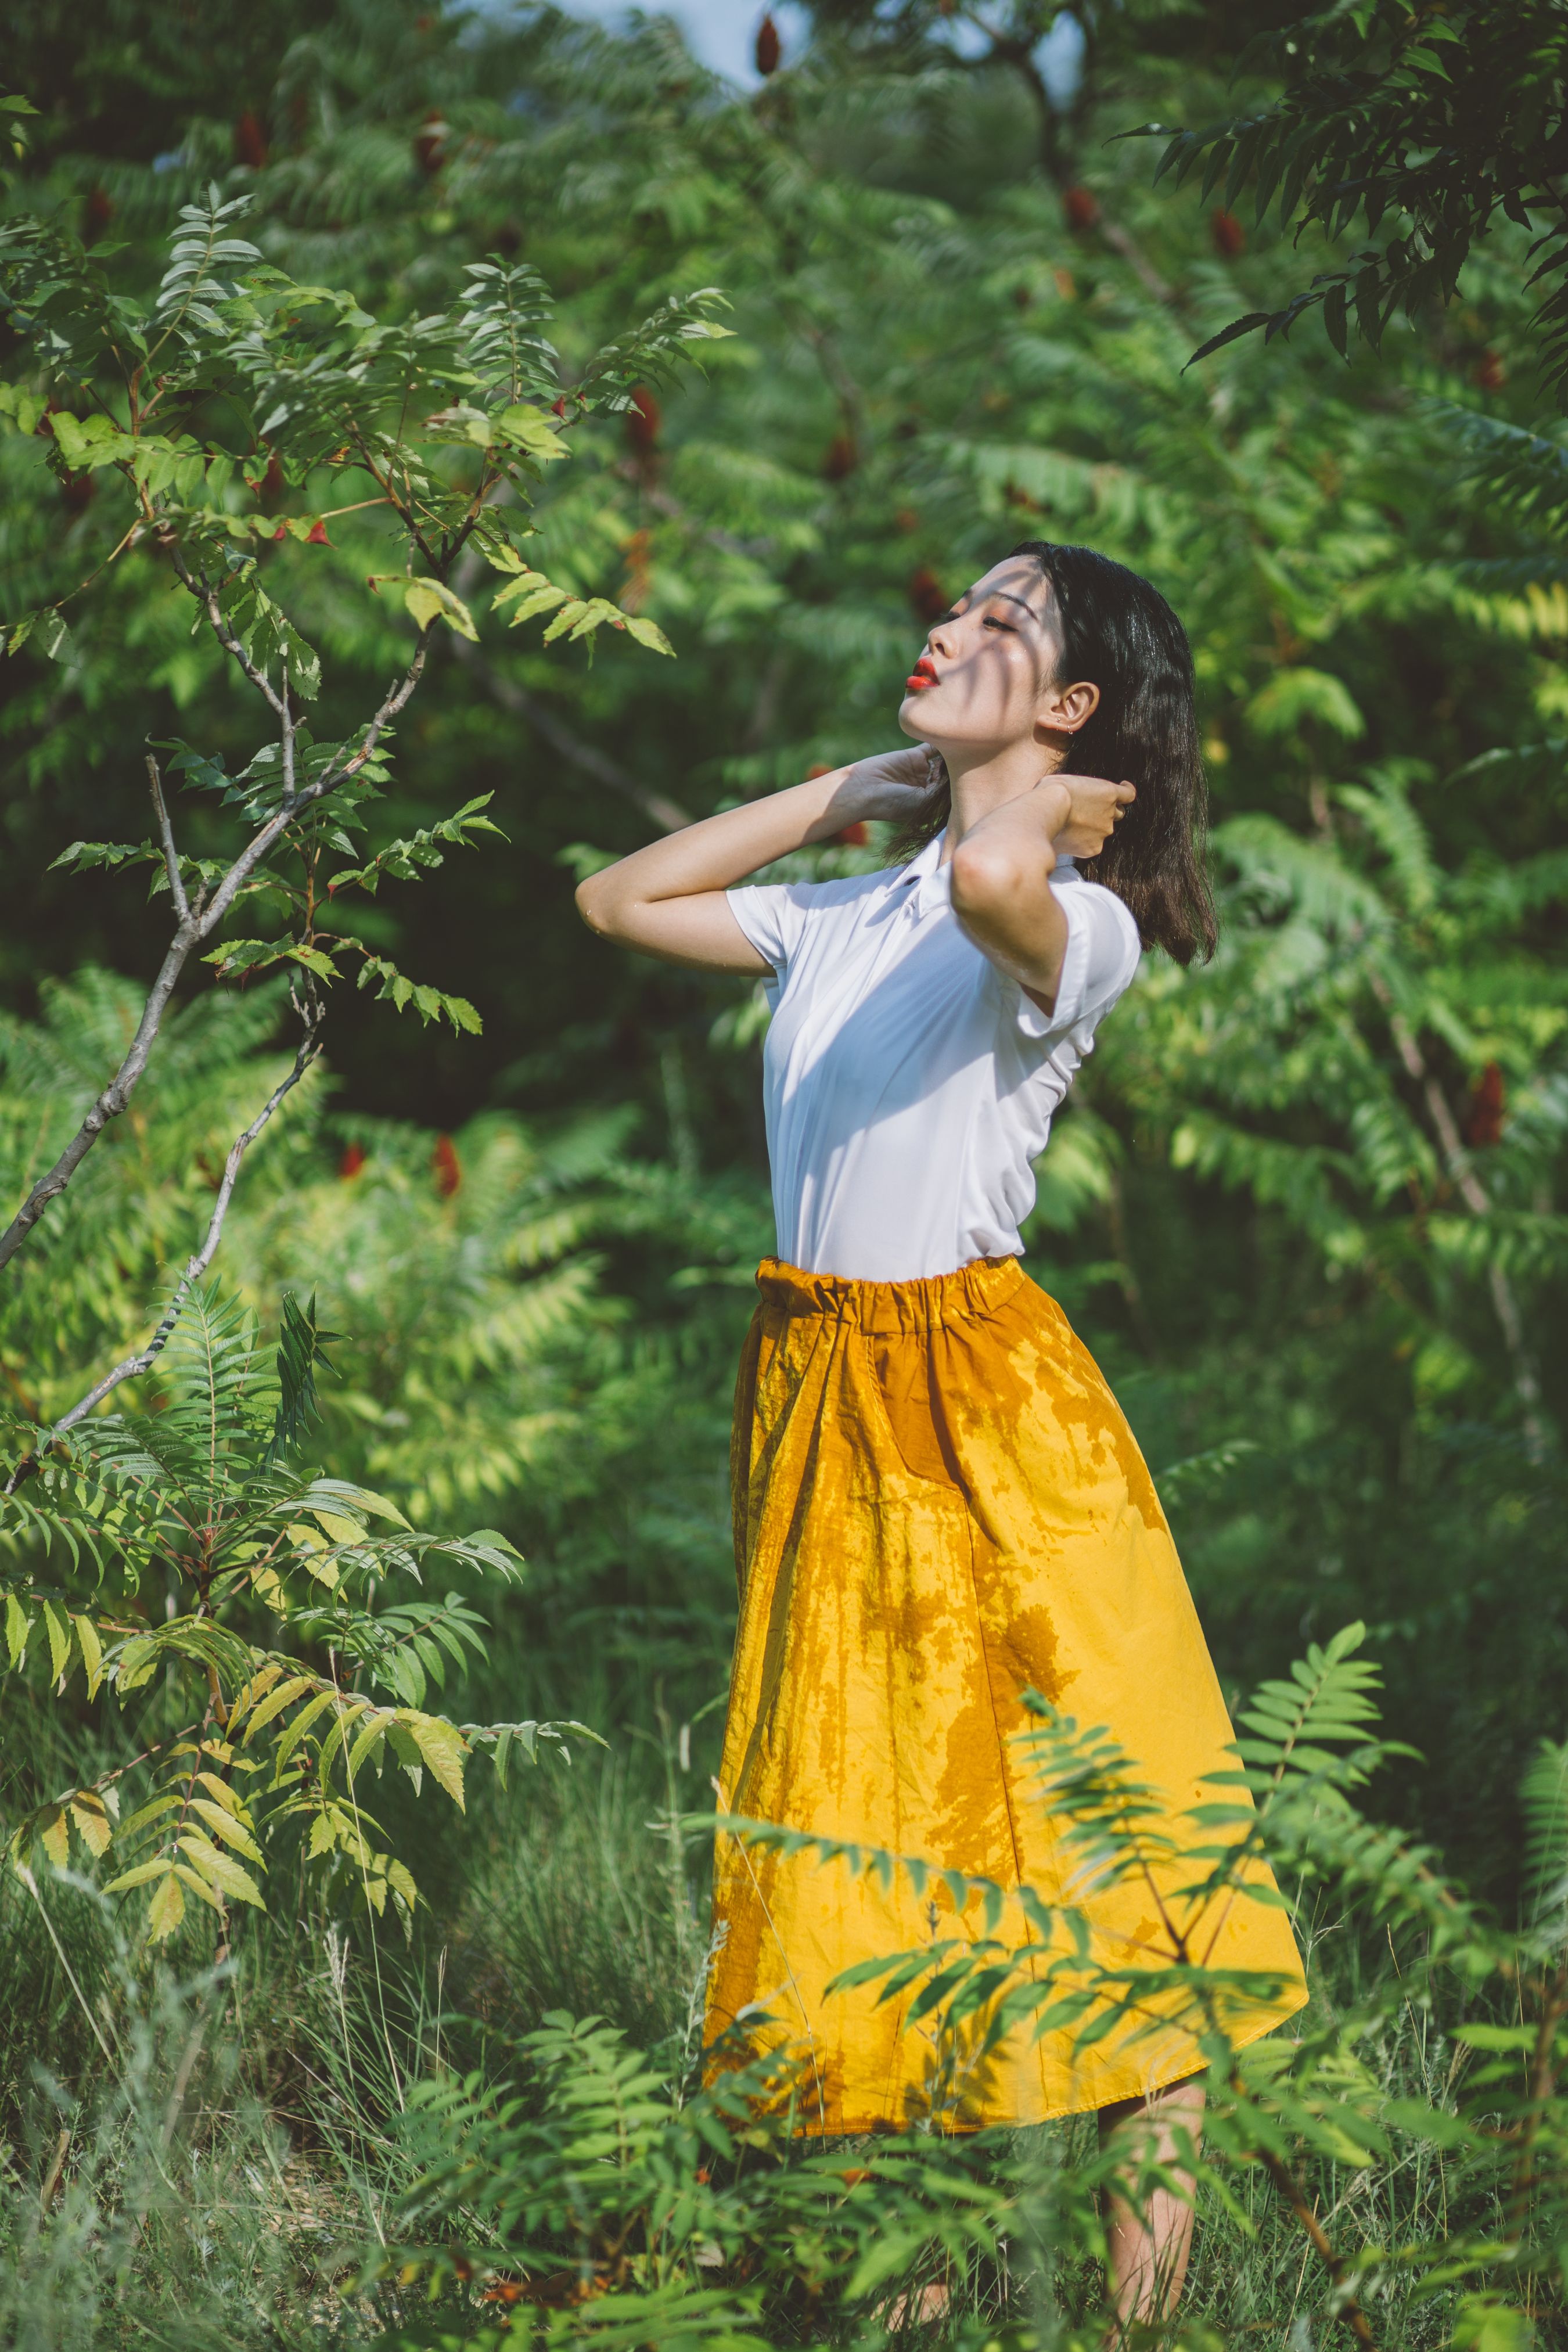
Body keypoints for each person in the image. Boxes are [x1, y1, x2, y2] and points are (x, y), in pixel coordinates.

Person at [576, 540, 1308, 2325]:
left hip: (986, 1413)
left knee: (1116, 1871)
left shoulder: (1081, 915)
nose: (948, 626)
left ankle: (1140, 2320)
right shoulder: (846, 910)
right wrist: (851, 790)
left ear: (1069, 707)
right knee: (863, 1854)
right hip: (824, 1396)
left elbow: (997, 877)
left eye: (1004, 621)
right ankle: (902, 2296)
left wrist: (1032, 807)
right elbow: (616, 896)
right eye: (955, 602)